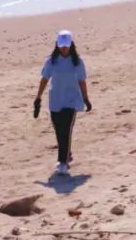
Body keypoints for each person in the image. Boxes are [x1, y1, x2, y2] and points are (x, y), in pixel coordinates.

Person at [33, 30, 92, 176]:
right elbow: (45, 79)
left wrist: (86, 98)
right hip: (56, 100)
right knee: (59, 130)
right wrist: (38, 97)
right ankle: (66, 154)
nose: (64, 48)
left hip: (71, 100)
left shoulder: (76, 61)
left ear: (71, 44)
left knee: (66, 130)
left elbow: (82, 81)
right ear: (57, 45)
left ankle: (62, 162)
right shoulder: (51, 61)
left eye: (66, 45)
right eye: (61, 45)